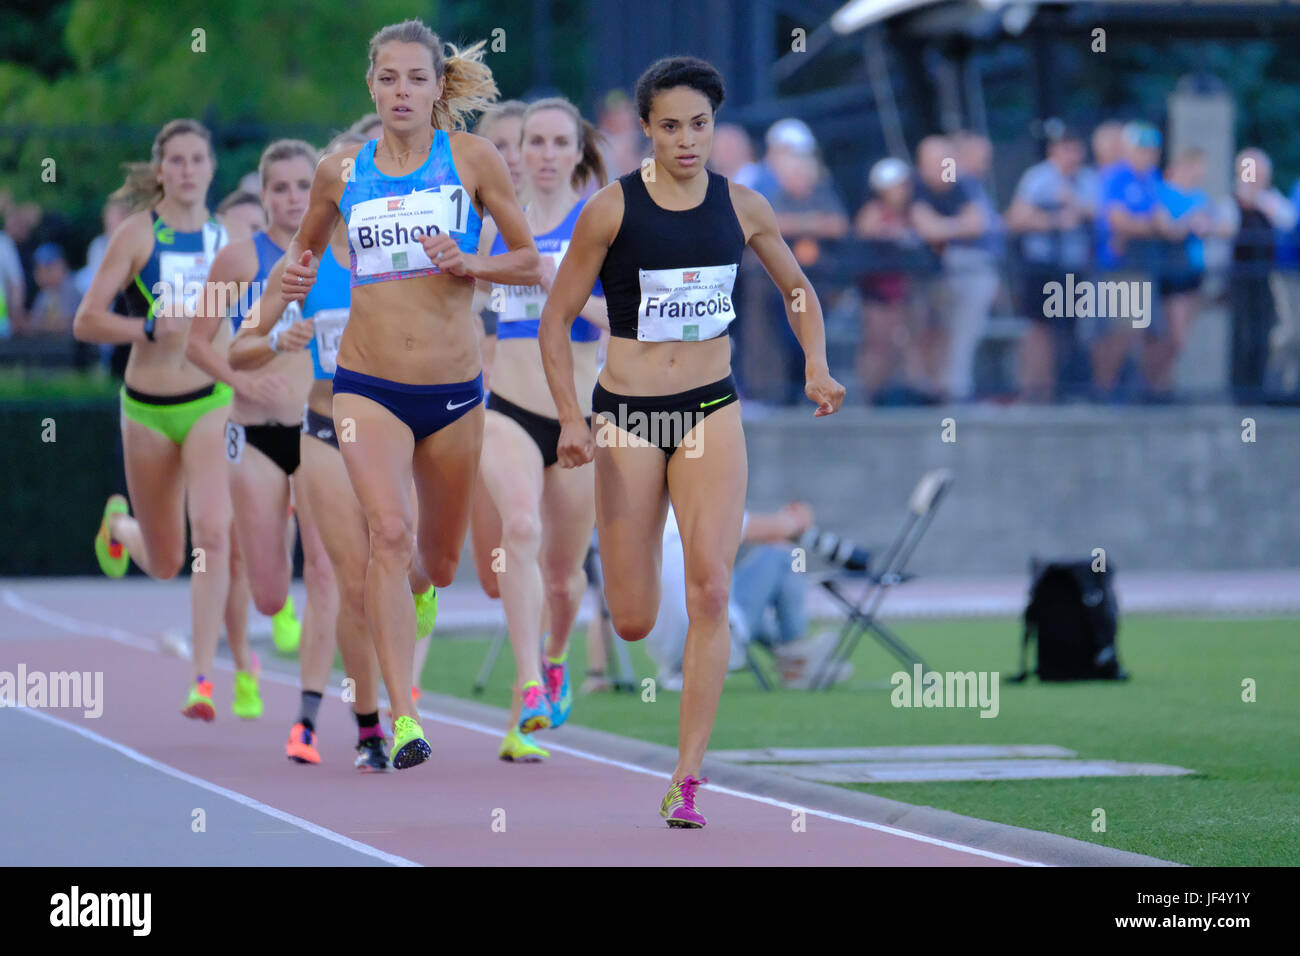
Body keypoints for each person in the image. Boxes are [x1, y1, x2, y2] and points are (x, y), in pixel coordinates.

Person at [539, 56, 844, 828]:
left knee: (710, 586)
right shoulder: (610, 210)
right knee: (636, 616)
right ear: (646, 127)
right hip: (629, 416)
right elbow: (556, 320)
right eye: (670, 125)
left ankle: (687, 778)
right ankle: (613, 579)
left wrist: (816, 361)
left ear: (716, 128)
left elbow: (797, 289)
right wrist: (572, 420)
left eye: (699, 125)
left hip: (711, 407)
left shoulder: (744, 206)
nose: (685, 139)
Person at [280, 19, 540, 770]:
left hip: (455, 393)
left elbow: (531, 263)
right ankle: (402, 718)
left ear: (437, 87)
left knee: (438, 563)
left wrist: (471, 262)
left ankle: (420, 597)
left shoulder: (473, 159)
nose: (401, 92)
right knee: (386, 537)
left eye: (416, 79)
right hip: (365, 388)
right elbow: (301, 255)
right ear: (371, 85)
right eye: (388, 78)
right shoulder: (339, 172)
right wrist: (288, 290)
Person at [233, 129, 435, 770]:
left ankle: (418, 596)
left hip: (401, 432)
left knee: (406, 563)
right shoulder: (304, 263)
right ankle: (375, 724)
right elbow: (241, 345)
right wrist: (277, 342)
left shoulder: (411, 250)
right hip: (324, 429)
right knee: (350, 583)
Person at [73, 118, 255, 722]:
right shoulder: (135, 236)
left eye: (196, 158)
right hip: (148, 408)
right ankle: (120, 528)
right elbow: (86, 322)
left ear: (210, 168)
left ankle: (203, 678)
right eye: (174, 160)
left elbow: (258, 305)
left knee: (214, 531)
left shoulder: (229, 238)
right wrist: (146, 327)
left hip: (209, 401)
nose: (185, 169)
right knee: (167, 560)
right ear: (160, 170)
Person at [185, 140, 340, 734]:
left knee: (324, 570)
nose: (293, 198)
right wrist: (239, 383)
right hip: (253, 433)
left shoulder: (339, 253)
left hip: (320, 431)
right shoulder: (239, 260)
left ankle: (309, 714)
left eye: (304, 186)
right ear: (263, 191)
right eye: (280, 187)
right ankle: (265, 627)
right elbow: (200, 343)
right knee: (273, 594)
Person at [472, 96, 609, 762]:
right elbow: (465, 307)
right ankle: (527, 688)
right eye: (536, 143)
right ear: (518, 151)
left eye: (560, 143)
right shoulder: (497, 225)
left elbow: (631, 320)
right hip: (506, 410)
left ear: (578, 152)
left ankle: (555, 658)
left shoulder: (599, 222)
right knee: (518, 529)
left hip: (578, 420)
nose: (547, 155)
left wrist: (569, 291)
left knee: (563, 577)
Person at [646, 500, 852, 691]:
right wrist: (797, 519)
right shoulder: (695, 512)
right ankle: (795, 652)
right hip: (718, 643)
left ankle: (794, 654)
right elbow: (778, 529)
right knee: (780, 556)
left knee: (723, 596)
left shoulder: (642, 525)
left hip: (669, 656)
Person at [1005, 124, 1097, 402]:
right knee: (1039, 328)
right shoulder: (1038, 178)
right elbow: (1015, 219)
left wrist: (1076, 205)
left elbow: (1100, 213)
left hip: (1073, 267)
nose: (1072, 155)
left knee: (1069, 330)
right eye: (1065, 148)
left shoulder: (1087, 180)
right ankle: (1035, 389)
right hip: (1042, 266)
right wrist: (1053, 220)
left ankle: (1063, 390)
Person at [910, 135, 998, 403]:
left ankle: (952, 391)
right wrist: (954, 228)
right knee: (926, 335)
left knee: (958, 332)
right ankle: (928, 392)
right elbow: (928, 228)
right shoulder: (917, 188)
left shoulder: (960, 186)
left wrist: (944, 228)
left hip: (956, 273)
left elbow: (977, 224)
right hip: (924, 278)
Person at [1090, 121, 1164, 399]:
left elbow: (1160, 220)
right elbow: (1119, 222)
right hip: (1119, 266)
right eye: (1142, 150)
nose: (1148, 156)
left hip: (1143, 264)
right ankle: (1103, 391)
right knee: (1118, 332)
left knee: (1141, 332)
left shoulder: (1151, 179)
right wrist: (1149, 226)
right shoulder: (1116, 177)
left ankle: (1135, 392)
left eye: (1152, 151)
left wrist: (1144, 225)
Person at [1226, 147, 1297, 403]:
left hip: (1268, 277)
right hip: (1240, 277)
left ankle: (1260, 387)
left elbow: (1287, 220)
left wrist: (1258, 199)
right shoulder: (1230, 199)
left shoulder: (1272, 199)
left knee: (1265, 331)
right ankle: (1240, 389)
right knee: (1241, 332)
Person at [853, 156, 925, 402]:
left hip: (904, 290)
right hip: (878, 290)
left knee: (904, 341)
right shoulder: (873, 212)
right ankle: (870, 394)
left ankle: (903, 392)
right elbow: (867, 232)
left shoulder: (913, 213)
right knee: (878, 343)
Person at [25, 243, 82, 336]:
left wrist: (40, 324)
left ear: (61, 265)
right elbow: (33, 322)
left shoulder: (71, 287)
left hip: (74, 347)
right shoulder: (45, 292)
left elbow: (65, 325)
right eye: (39, 269)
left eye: (48, 268)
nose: (42, 274)